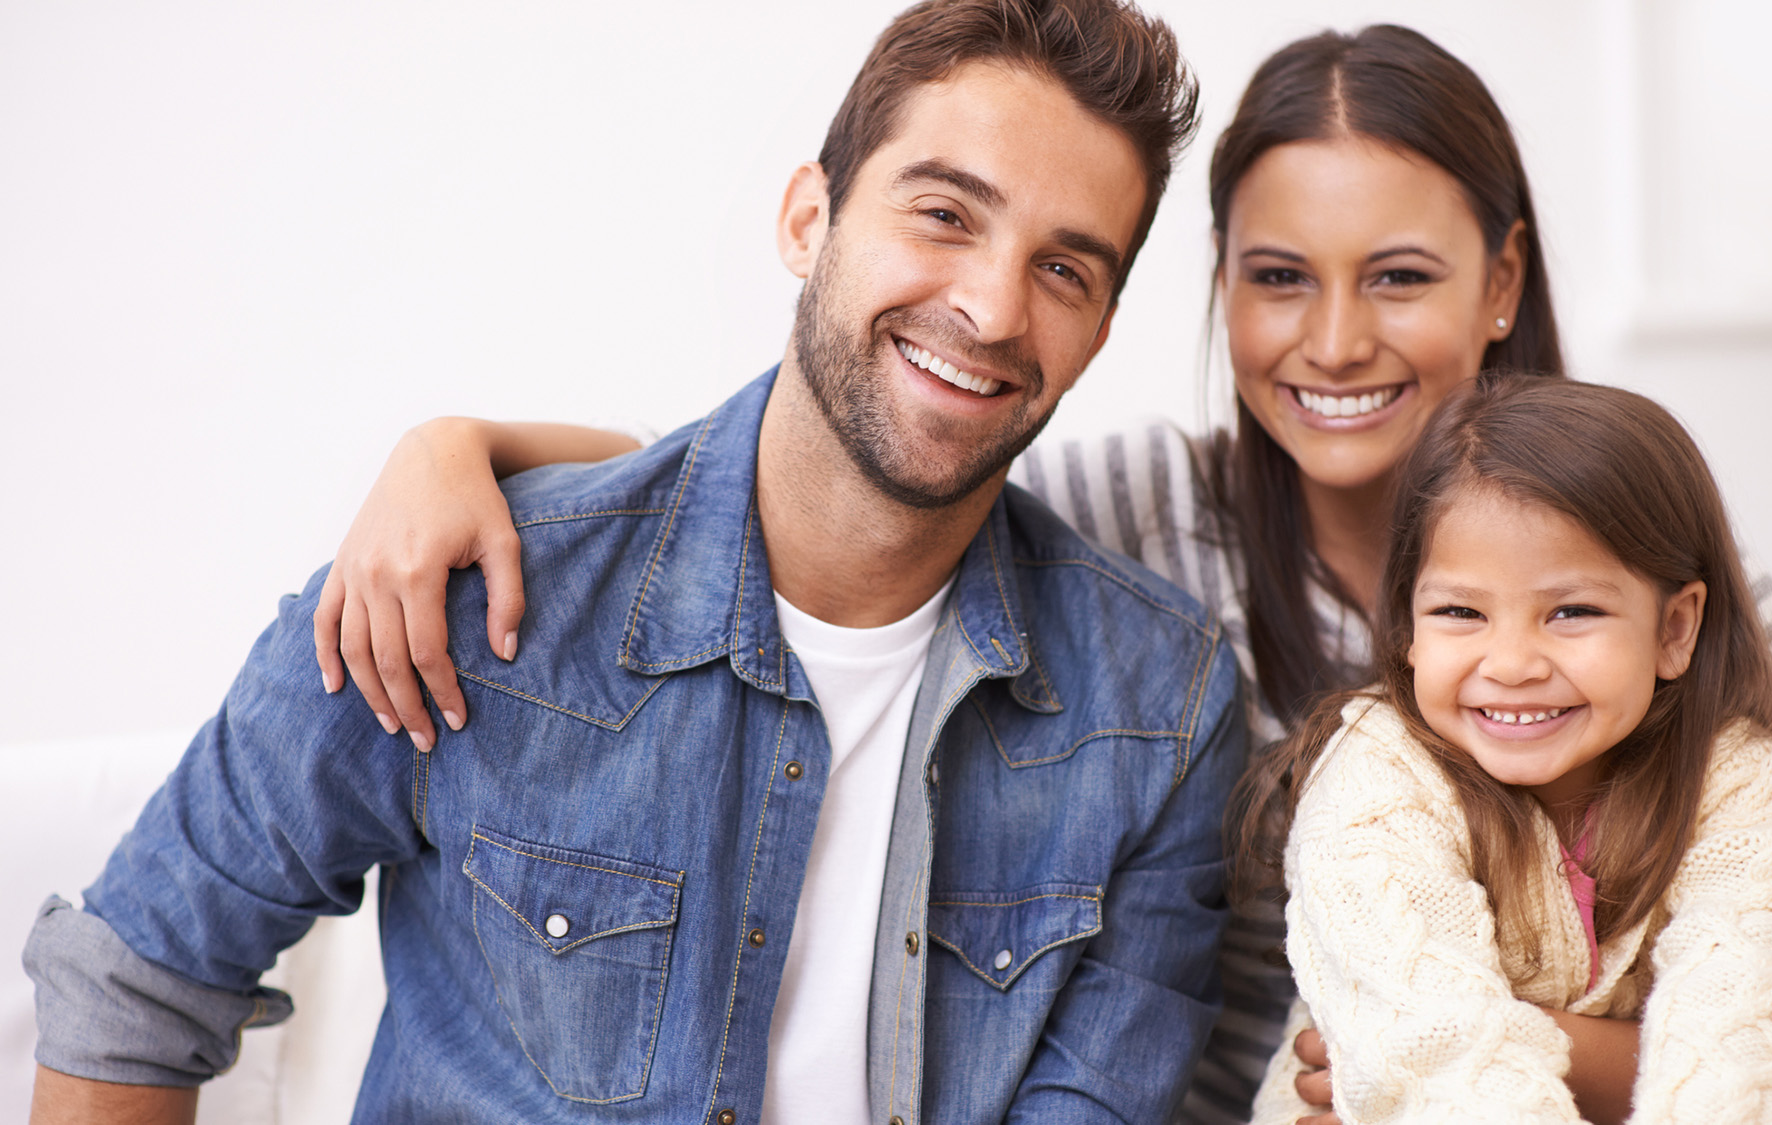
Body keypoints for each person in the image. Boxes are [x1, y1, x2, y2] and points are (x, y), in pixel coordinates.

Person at [309, 24, 1772, 1125]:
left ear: (1502, 283)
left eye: (1403, 278)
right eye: (1279, 279)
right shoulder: (1134, 518)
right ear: (1218, 296)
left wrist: (1488, 1056)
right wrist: (472, 440)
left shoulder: (1667, 597)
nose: (1336, 340)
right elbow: (821, 487)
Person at [24, 2, 1248, 1122]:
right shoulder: (475, 588)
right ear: (808, 218)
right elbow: (136, 985)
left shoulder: (1159, 710)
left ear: (1099, 328)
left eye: (1064, 268)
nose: (990, 307)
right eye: (943, 214)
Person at [1238, 373, 1772, 1124]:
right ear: (1405, 628)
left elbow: (1746, 1041)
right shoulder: (1374, 780)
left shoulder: (1743, 787)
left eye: (1572, 611)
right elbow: (1447, 1068)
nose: (1514, 662)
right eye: (1461, 611)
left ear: (1674, 629)